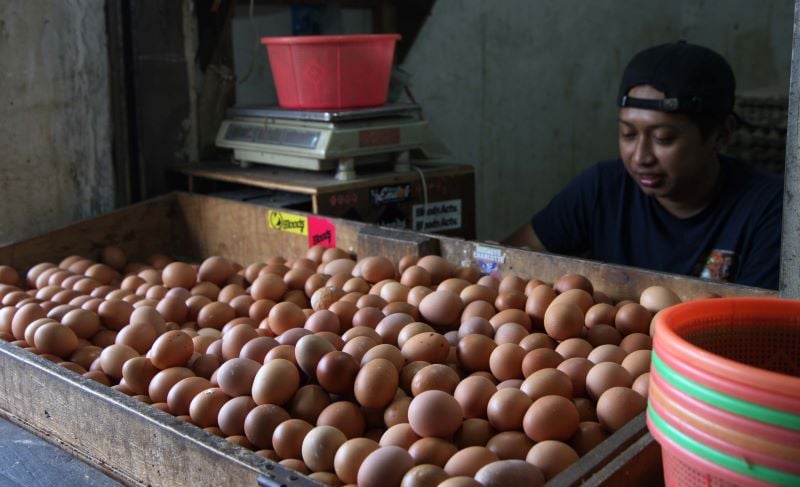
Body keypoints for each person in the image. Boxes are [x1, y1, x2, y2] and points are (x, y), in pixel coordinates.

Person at [503, 40, 783, 290]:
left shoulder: (770, 210)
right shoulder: (602, 189)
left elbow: (761, 320)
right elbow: (507, 260)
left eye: (663, 138)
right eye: (628, 134)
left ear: (721, 133)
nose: (640, 157)